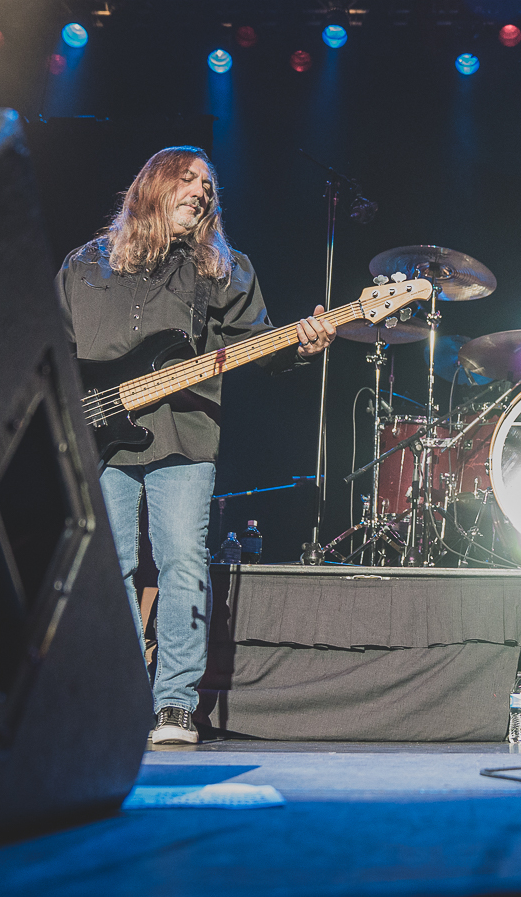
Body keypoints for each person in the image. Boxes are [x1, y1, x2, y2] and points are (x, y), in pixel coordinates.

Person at [58, 146, 336, 745]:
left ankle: (175, 705)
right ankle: (123, 693)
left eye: (209, 185)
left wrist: (302, 345)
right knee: (111, 567)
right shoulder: (85, 264)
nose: (202, 190)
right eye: (188, 179)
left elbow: (261, 343)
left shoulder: (223, 269)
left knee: (183, 560)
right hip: (92, 436)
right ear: (154, 186)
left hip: (183, 434)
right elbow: (49, 346)